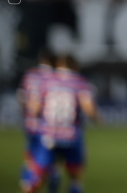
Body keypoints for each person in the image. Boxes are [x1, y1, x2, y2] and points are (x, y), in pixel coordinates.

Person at [24, 54, 99, 193]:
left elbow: (34, 109)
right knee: (75, 178)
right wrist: (98, 119)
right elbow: (89, 108)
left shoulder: (46, 81)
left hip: (49, 136)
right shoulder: (79, 82)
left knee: (37, 176)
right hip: (71, 137)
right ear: (74, 66)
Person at [18, 49, 61, 193]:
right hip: (47, 127)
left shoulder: (30, 75)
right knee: (51, 164)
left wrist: (27, 116)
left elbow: (21, 99)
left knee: (30, 160)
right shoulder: (55, 77)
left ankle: (26, 184)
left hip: (29, 125)